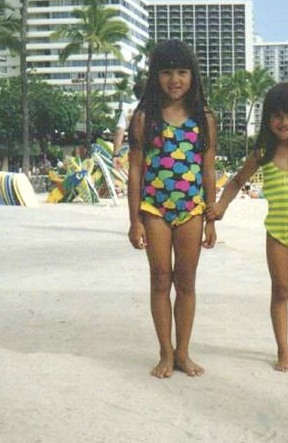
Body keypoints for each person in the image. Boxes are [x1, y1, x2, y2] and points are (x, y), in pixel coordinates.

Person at [207, 83, 288, 372]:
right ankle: (283, 350)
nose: (284, 123)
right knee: (280, 290)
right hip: (276, 232)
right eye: (276, 116)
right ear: (267, 120)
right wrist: (220, 207)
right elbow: (237, 181)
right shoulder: (263, 152)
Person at [126, 40, 217, 379]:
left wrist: (210, 217)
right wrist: (134, 219)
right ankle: (165, 352)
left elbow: (208, 170)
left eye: (182, 72)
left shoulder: (203, 119)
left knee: (187, 281)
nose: (175, 79)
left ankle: (183, 353)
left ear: (193, 76)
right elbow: (136, 170)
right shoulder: (144, 118)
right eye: (166, 72)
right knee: (160, 278)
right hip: (154, 208)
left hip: (191, 209)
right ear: (155, 76)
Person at [113, 78, 146, 170]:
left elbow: (119, 133)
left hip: (134, 153)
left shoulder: (128, 109)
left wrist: (116, 155)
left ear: (135, 94)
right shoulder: (156, 108)